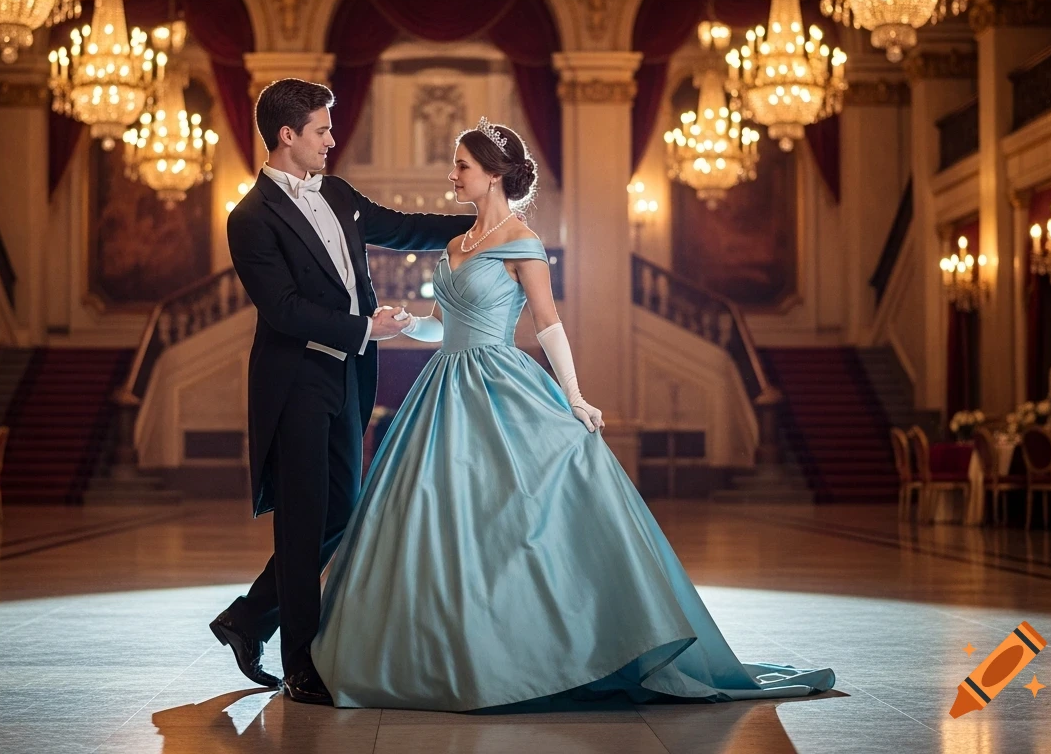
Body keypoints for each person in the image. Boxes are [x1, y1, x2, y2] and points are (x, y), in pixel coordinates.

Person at [310, 118, 835, 711]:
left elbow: (548, 325)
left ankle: (535, 649)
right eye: (455, 165)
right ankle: (437, 651)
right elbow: (446, 329)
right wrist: (407, 326)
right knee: (432, 517)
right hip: (441, 388)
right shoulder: (456, 245)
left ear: (494, 174)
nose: (452, 175)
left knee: (511, 520)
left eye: (462, 166)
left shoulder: (523, 242)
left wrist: (576, 396)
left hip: (499, 384)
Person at [213, 79, 475, 705]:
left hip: (346, 377)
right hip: (296, 379)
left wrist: (484, 222)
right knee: (303, 522)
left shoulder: (335, 191)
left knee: (342, 512)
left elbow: (403, 226)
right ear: (288, 136)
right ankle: (300, 665)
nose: (332, 140)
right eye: (323, 130)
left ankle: (248, 619)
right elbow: (282, 309)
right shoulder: (249, 218)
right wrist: (366, 326)